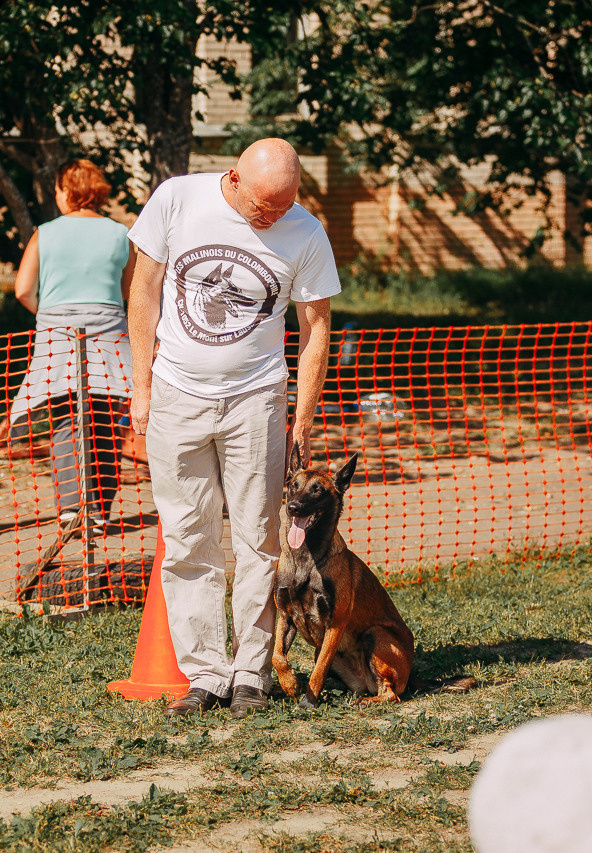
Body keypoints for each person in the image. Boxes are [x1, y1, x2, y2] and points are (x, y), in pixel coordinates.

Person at [127, 137, 340, 718]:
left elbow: (315, 324)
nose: (273, 217)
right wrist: (140, 386)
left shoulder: (307, 232)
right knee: (188, 540)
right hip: (175, 395)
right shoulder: (177, 199)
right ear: (234, 178)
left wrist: (303, 413)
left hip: (256, 402)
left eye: (284, 206)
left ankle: (251, 673)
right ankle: (206, 675)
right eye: (262, 207)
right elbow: (143, 287)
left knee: (258, 542)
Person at [5, 159, 135, 534]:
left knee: (65, 421)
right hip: (110, 337)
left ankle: (70, 511)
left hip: (57, 338)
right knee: (107, 424)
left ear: (66, 191)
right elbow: (129, 292)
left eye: (58, 189)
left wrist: (50, 315)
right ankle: (99, 514)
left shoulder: (44, 233)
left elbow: (22, 290)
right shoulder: (119, 233)